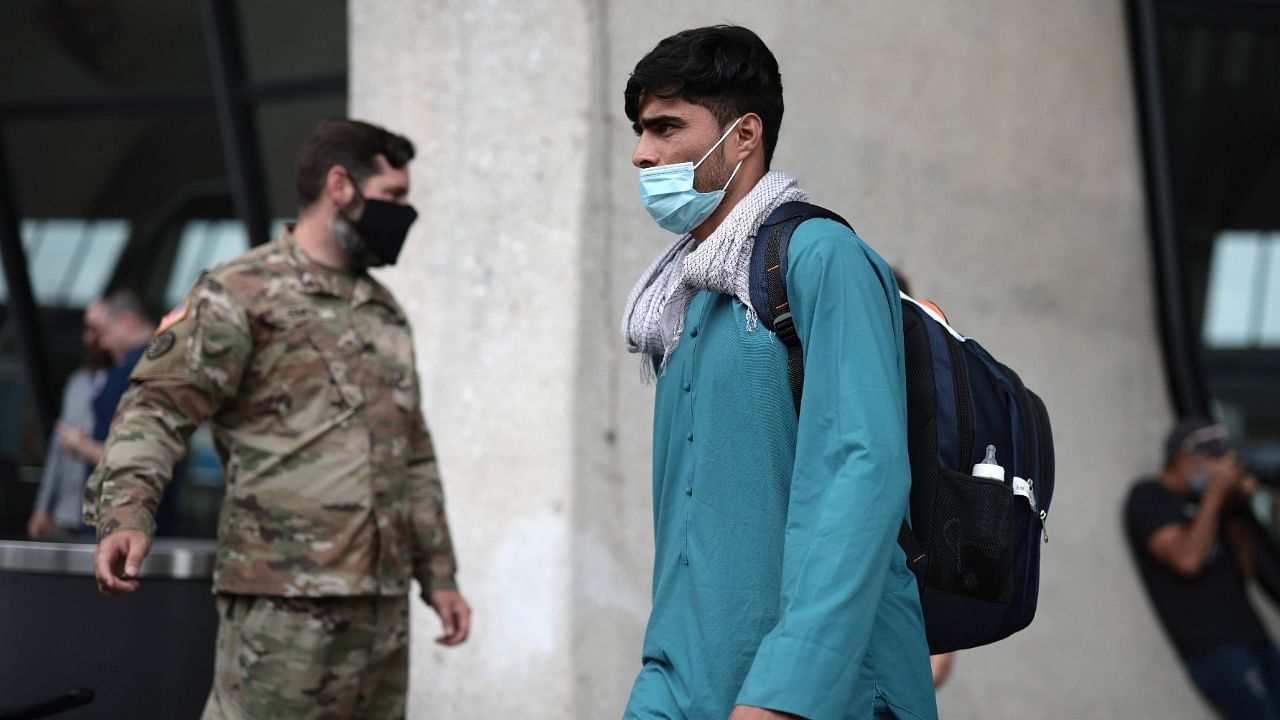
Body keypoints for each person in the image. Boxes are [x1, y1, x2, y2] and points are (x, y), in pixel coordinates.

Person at [83, 117, 471, 719]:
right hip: (283, 605)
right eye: (393, 196)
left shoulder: (383, 311)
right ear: (340, 186)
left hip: (381, 609)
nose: (403, 214)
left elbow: (412, 454)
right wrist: (126, 510)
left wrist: (438, 576)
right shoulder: (240, 291)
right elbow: (157, 406)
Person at [618, 26, 935, 720]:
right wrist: (656, 689)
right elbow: (687, 542)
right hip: (686, 688)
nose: (643, 153)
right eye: (641, 131)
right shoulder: (681, 303)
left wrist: (786, 693)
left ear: (743, 136)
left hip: (828, 697)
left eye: (667, 127)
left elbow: (864, 473)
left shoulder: (822, 258)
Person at [1125, 417, 1280, 719]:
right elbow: (1188, 560)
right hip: (1214, 648)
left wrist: (1234, 507)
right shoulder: (1148, 497)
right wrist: (1214, 495)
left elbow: (1245, 572)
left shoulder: (1214, 506)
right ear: (1184, 457)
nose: (1217, 468)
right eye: (1212, 458)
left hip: (1254, 637)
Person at [27, 301, 110, 538]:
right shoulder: (77, 383)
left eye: (97, 330)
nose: (91, 339)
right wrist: (42, 508)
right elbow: (57, 447)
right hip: (67, 511)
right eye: (88, 331)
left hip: (105, 512)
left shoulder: (125, 382)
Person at [56, 290, 156, 470]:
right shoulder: (136, 365)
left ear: (127, 323)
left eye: (105, 332)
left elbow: (142, 458)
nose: (103, 343)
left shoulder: (142, 370)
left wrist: (84, 448)